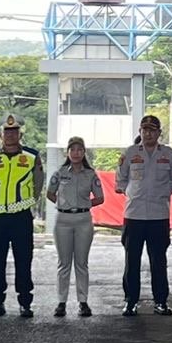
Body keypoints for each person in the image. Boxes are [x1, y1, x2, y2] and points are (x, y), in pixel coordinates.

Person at [117, 115, 172, 316]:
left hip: (158, 215)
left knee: (159, 260)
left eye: (152, 130)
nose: (148, 134)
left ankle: (161, 301)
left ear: (159, 133)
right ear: (140, 132)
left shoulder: (169, 154)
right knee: (132, 260)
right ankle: (131, 301)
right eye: (144, 130)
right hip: (134, 214)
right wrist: (133, 194)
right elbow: (120, 180)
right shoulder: (129, 153)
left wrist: (161, 194)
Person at [0, 115, 45, 318]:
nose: (10, 135)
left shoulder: (31, 157)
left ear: (19, 134)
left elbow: (37, 184)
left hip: (21, 217)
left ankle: (25, 302)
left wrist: (24, 203)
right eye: (7, 132)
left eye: (14, 132)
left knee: (23, 260)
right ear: (1, 135)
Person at [45, 136, 104, 318]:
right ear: (67, 152)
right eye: (73, 150)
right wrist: (64, 203)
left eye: (79, 150)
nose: (76, 153)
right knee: (64, 264)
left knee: (81, 263)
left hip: (83, 220)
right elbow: (50, 193)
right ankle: (61, 302)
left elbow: (100, 197)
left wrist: (83, 204)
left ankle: (83, 302)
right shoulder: (60, 173)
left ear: (84, 152)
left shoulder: (90, 174)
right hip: (63, 219)